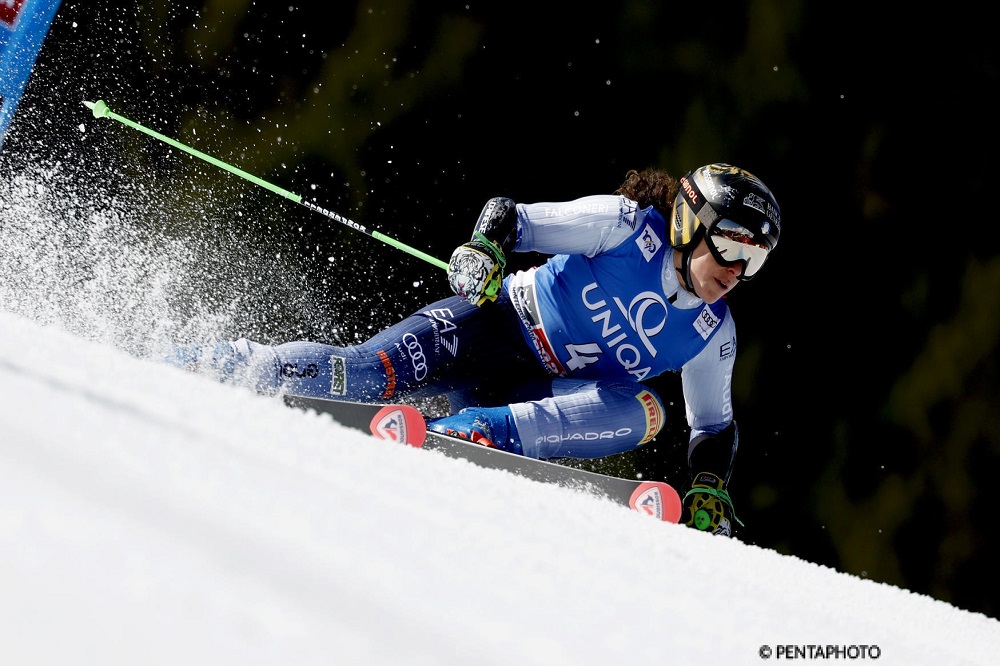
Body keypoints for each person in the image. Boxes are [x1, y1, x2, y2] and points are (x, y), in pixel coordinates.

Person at [166, 163, 781, 537]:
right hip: (492, 327)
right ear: (690, 222)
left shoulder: (713, 333)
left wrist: (708, 486)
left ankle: (471, 434)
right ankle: (207, 365)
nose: (737, 269)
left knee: (648, 411)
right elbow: (512, 217)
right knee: (360, 375)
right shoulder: (622, 225)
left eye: (755, 259)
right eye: (732, 245)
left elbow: (713, 427)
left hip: (530, 396)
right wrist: (485, 249)